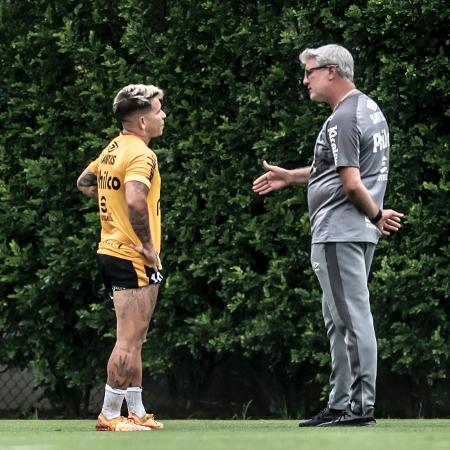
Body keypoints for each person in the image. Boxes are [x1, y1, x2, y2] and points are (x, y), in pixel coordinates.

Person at [253, 44, 403, 427]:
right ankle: (340, 404)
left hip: (340, 231)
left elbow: (352, 184)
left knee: (351, 318)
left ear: (332, 71)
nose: (306, 80)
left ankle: (358, 407)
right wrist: (291, 176)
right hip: (351, 231)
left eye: (310, 72)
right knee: (339, 319)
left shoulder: (343, 118)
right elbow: (340, 170)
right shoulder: (367, 109)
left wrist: (376, 213)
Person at [77, 84, 167, 432]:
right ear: (143, 121)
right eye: (158, 111)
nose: (163, 116)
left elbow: (85, 181)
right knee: (128, 338)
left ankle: (137, 409)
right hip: (131, 256)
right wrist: (145, 246)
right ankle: (110, 415)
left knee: (136, 335)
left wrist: (110, 212)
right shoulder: (142, 155)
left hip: (112, 250)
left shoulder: (115, 146)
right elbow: (134, 199)